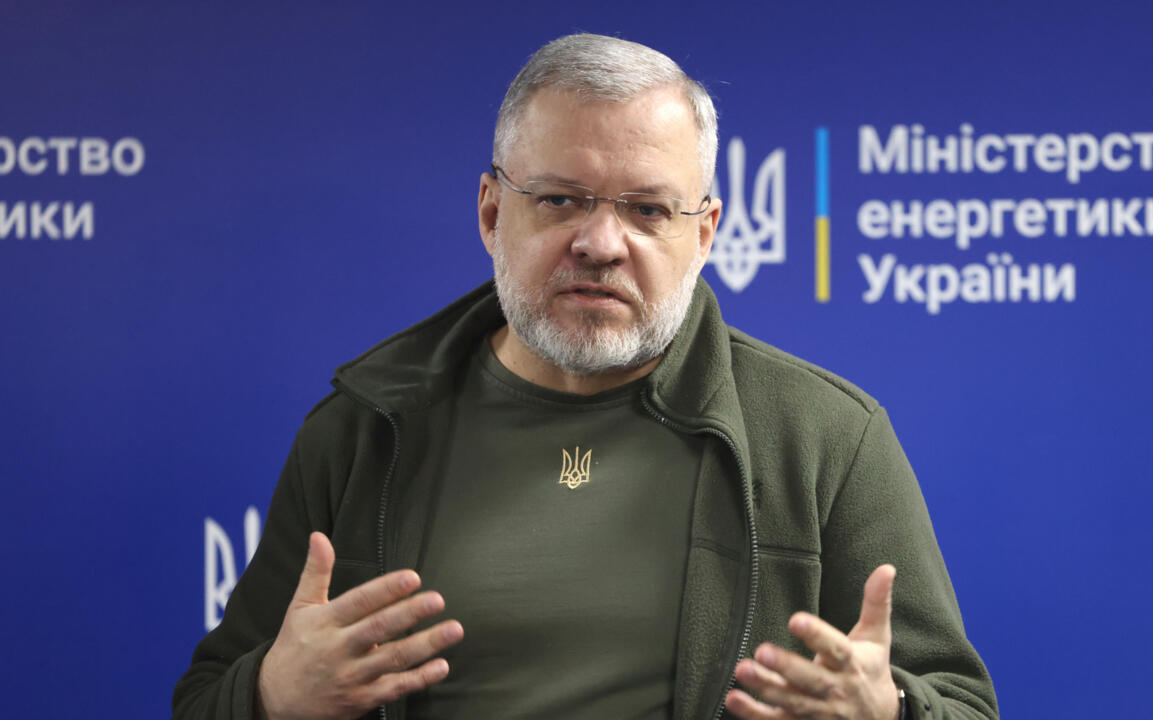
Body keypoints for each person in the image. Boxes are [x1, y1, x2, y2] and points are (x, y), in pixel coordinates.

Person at [173, 33, 997, 720]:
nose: (601, 243)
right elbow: (206, 700)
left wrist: (889, 710)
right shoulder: (362, 429)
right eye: (562, 200)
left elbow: (962, 704)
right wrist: (272, 696)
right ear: (493, 213)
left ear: (704, 232)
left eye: (647, 210)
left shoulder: (829, 439)